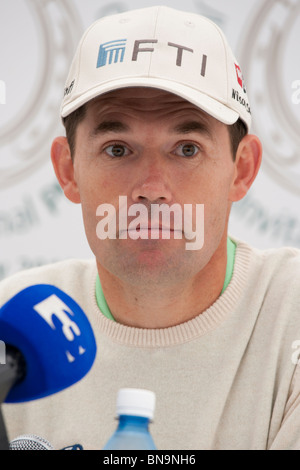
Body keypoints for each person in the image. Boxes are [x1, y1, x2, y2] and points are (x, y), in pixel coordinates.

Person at [1, 5, 300, 450]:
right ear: (68, 170)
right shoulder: (12, 329)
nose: (152, 189)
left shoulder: (291, 313)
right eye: (118, 149)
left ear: (241, 170)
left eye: (186, 148)